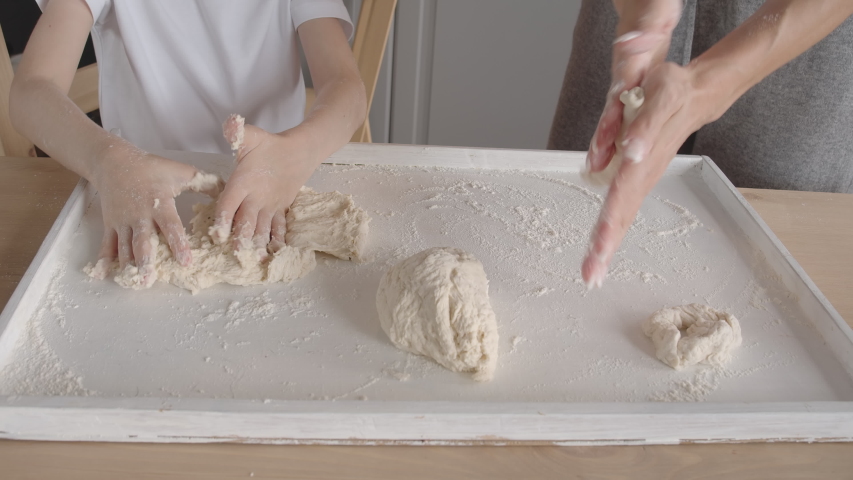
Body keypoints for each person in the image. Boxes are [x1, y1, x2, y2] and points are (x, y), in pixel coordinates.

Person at [9, 0, 367, 286]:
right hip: (136, 193)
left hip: (276, 188)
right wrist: (109, 160)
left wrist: (299, 151)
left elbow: (346, 89)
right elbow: (30, 92)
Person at [548, 0, 853, 288]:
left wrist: (719, 78)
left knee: (765, 267)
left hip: (802, 34)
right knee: (567, 219)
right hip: (633, 35)